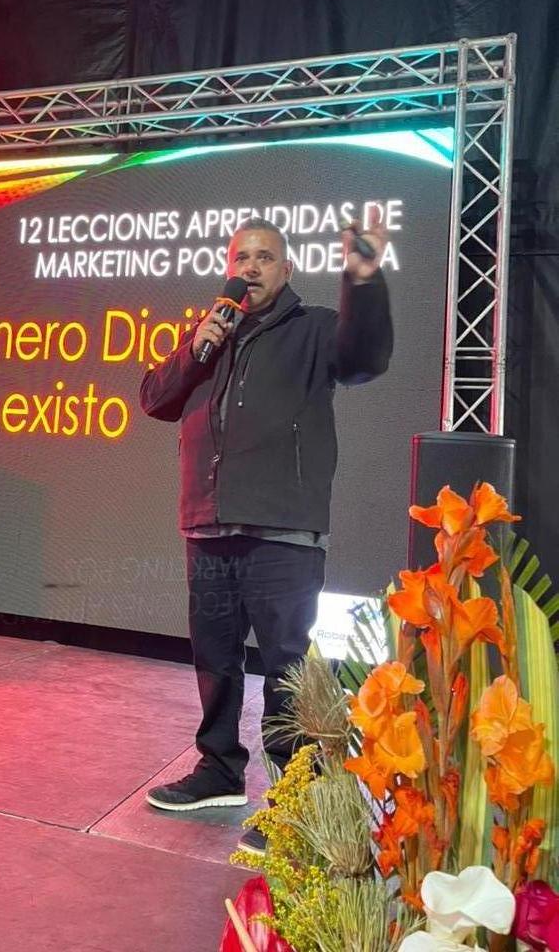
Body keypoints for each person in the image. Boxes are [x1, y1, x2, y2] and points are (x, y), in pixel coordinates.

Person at [139, 214, 393, 852]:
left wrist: (363, 278)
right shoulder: (210, 332)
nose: (249, 267)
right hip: (207, 523)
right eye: (240, 257)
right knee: (214, 658)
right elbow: (154, 398)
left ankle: (296, 798)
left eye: (264, 257)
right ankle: (219, 770)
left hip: (283, 529)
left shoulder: (314, 329)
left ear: (286, 269)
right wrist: (197, 346)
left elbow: (366, 359)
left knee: (285, 667)